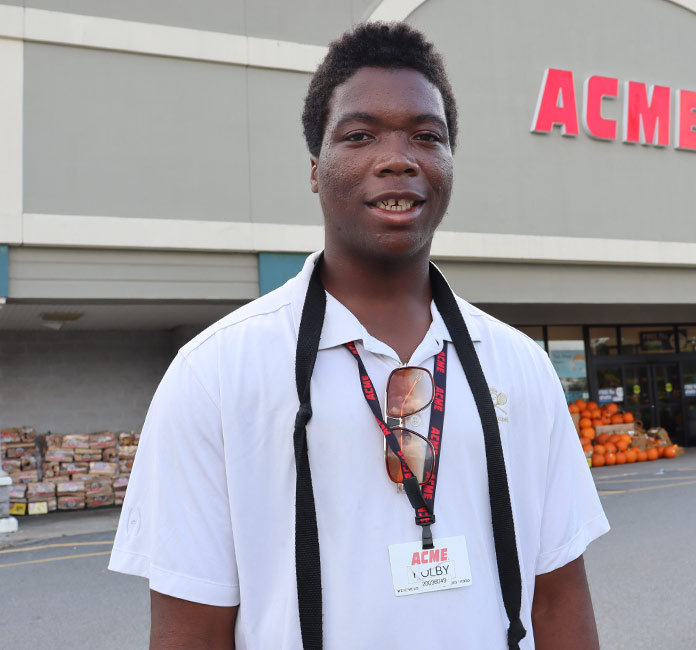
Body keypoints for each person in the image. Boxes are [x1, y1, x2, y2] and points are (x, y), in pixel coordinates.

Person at [109, 22, 608, 649]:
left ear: (450, 163)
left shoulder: (519, 365)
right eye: (360, 134)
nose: (398, 157)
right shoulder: (215, 371)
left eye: (427, 136)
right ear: (316, 169)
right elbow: (191, 630)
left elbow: (559, 593)